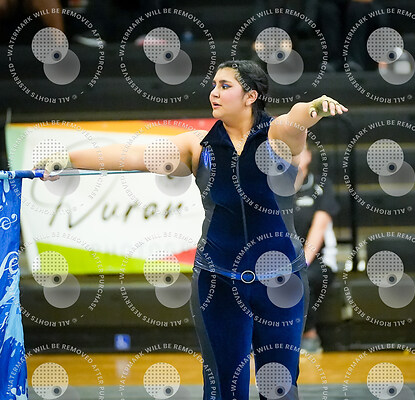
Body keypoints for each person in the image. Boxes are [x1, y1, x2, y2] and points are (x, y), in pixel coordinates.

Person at [38, 60, 347, 400]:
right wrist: (70, 158)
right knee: (223, 388)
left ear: (251, 96)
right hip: (218, 280)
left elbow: (297, 117)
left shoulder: (277, 138)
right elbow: (132, 154)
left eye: (225, 86)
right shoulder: (197, 146)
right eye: (214, 85)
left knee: (280, 389)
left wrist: (315, 107)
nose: (214, 92)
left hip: (281, 283)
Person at [294, 145, 339, 353]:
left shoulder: (321, 186)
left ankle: (309, 335)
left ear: (309, 156)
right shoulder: (272, 186)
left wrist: (300, 264)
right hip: (280, 256)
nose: (293, 155)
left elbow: (319, 229)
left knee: (301, 278)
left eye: (298, 150)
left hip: (317, 259)